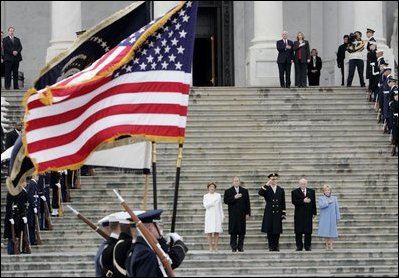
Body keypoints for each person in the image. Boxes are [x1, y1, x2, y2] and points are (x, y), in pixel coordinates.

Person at [126, 209, 188, 277]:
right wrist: (179, 242)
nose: (160, 228)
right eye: (158, 225)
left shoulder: (141, 247)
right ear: (150, 228)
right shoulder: (146, 253)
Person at [258, 173, 286, 252]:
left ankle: (276, 246)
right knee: (270, 230)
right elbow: (260, 193)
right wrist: (267, 184)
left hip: (278, 212)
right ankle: (271, 246)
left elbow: (283, 202)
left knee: (277, 231)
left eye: (275, 179)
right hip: (269, 212)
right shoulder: (267, 189)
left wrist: (283, 213)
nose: (274, 181)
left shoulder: (281, 189)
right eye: (272, 179)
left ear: (277, 180)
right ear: (269, 180)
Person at [224, 176, 251, 252]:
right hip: (233, 214)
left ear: (239, 182)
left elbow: (247, 203)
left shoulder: (244, 191)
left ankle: (240, 247)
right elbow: (226, 201)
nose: (236, 182)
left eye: (237, 181)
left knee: (242, 231)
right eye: (235, 181)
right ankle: (233, 246)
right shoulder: (228, 191)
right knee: (233, 231)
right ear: (232, 182)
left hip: (242, 214)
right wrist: (234, 198)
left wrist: (248, 213)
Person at [291, 177, 316, 251]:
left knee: (308, 231)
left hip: (308, 214)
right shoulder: (295, 192)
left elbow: (313, 202)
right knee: (298, 231)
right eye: (302, 184)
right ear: (299, 184)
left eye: (304, 183)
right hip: (299, 214)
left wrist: (314, 212)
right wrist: (303, 201)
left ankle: (307, 246)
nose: (303, 185)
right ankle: (299, 246)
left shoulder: (311, 191)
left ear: (306, 184)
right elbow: (294, 201)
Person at [318, 184, 340, 251]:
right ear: (323, 191)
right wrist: (327, 202)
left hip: (332, 217)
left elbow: (337, 208)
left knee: (331, 232)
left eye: (328, 190)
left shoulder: (334, 198)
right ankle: (327, 245)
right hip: (324, 217)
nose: (327, 191)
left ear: (330, 191)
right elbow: (321, 206)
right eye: (326, 190)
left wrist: (338, 216)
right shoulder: (321, 198)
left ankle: (331, 245)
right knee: (325, 232)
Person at [203, 181, 224, 252]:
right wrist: (212, 203)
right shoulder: (206, 196)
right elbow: (205, 205)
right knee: (209, 232)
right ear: (208, 188)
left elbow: (220, 206)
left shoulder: (218, 195)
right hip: (209, 215)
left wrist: (222, 215)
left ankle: (216, 246)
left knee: (216, 231)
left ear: (215, 188)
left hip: (217, 215)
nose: (212, 188)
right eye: (210, 187)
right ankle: (210, 247)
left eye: (213, 187)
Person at [390, 87, 398, 156]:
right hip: (395, 121)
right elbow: (392, 112)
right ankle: (394, 149)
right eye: (395, 95)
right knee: (395, 136)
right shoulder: (392, 103)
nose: (396, 97)